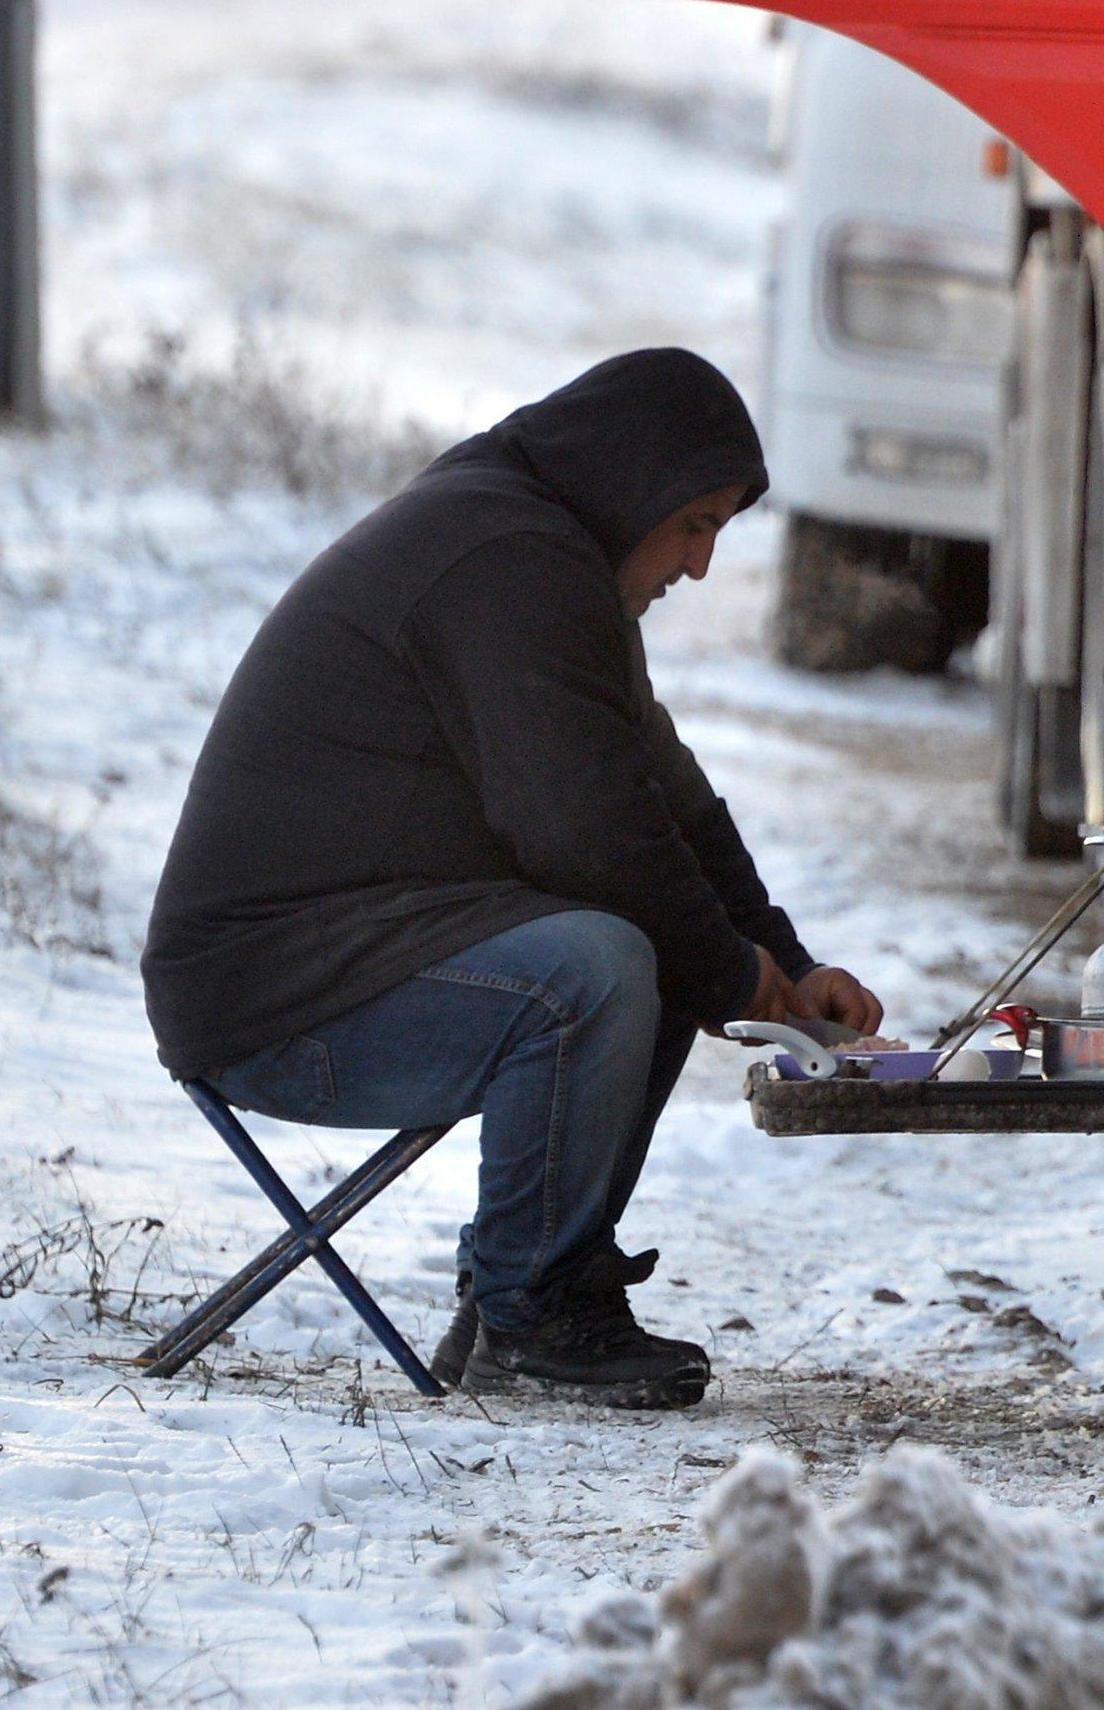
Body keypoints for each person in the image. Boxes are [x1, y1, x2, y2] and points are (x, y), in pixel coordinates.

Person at [141, 350, 883, 1409]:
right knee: (601, 960)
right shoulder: (506, 561)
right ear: (634, 485)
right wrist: (736, 974)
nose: (702, 565)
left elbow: (661, 798)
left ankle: (543, 1282)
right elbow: (585, 831)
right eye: (696, 524)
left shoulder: (546, 556)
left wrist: (783, 965)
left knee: (655, 946)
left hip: (354, 963)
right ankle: (533, 1310)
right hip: (272, 1003)